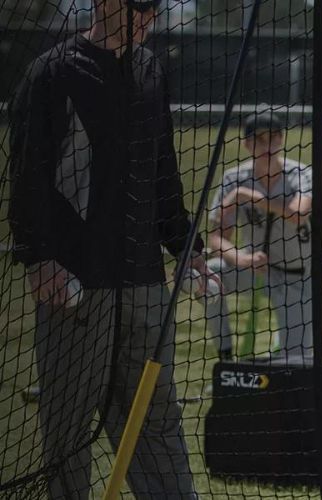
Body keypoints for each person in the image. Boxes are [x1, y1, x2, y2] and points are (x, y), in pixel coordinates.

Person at [8, 0, 214, 497]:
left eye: (156, 7)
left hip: (144, 284)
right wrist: (38, 260)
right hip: (77, 285)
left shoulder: (149, 69)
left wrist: (185, 244)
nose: (150, 16)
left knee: (157, 417)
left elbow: (163, 166)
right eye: (140, 7)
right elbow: (27, 176)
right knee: (69, 431)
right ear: (106, 3)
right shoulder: (53, 73)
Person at [205, 112, 314, 361]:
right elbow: (217, 238)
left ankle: (283, 341)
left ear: (282, 140)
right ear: (246, 144)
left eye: (274, 138)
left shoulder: (300, 173)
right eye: (259, 140)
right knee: (207, 277)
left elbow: (299, 214)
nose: (268, 146)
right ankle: (225, 359)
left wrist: (252, 198)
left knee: (296, 362)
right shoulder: (234, 179)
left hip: (297, 276)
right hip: (257, 270)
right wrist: (242, 260)